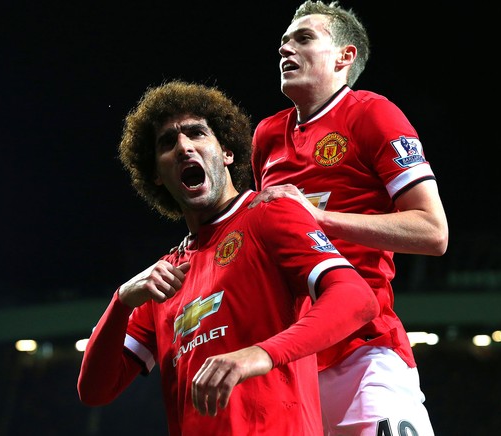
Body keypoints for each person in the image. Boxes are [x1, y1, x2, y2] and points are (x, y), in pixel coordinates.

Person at [77, 80, 380, 436]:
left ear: (227, 152)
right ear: (156, 176)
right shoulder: (164, 279)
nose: (184, 147)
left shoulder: (268, 214)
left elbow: (357, 299)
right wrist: (122, 300)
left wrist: (261, 354)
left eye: (196, 134)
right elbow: (95, 391)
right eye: (167, 142)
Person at [249, 2, 449, 435]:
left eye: (304, 39)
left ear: (345, 56)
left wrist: (317, 219)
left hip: (364, 351)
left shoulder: (372, 113)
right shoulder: (266, 136)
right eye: (283, 42)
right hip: (291, 363)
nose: (286, 48)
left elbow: (433, 232)